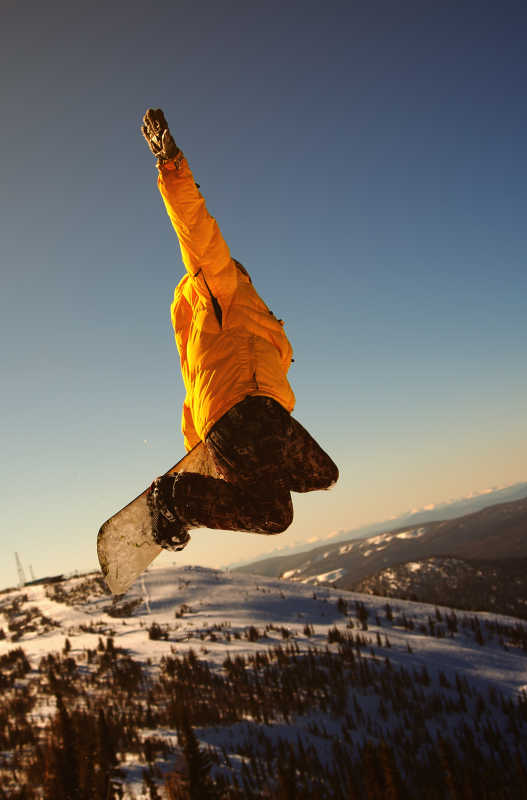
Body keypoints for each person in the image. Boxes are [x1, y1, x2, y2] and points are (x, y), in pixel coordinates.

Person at [140, 108, 338, 551]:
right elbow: (197, 231)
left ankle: (192, 492)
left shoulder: (238, 329)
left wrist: (199, 457)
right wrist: (172, 166)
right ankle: (176, 499)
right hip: (242, 416)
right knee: (274, 516)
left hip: (265, 417)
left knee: (323, 474)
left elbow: (193, 403)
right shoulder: (220, 286)